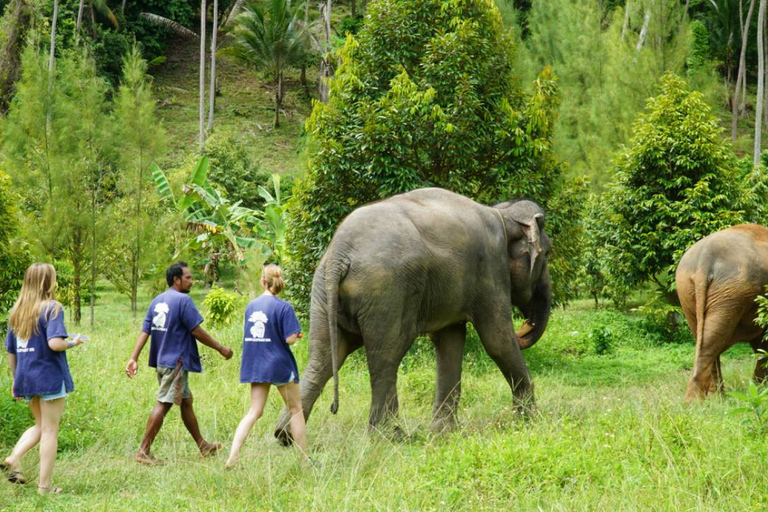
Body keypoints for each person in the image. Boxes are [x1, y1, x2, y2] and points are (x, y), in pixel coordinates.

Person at [125, 261, 233, 465]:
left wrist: (134, 357)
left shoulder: (157, 301)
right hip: (176, 362)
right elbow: (196, 330)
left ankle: (203, 445)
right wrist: (220, 348)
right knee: (164, 403)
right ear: (177, 280)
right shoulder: (183, 301)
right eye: (188, 278)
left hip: (161, 361)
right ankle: (143, 451)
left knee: (186, 401)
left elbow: (145, 331)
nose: (191, 281)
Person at [2, 263, 86, 494]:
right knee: (50, 430)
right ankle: (45, 487)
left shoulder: (17, 311)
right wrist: (74, 342)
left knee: (41, 425)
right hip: (48, 376)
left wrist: (16, 379)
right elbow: (55, 344)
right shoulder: (52, 308)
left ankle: (13, 458)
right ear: (48, 281)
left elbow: (11, 351)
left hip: (26, 377)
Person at [226, 264, 308, 467]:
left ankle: (233, 457)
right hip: (279, 365)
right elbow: (290, 339)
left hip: (256, 364)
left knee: (254, 411)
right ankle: (304, 460)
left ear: (263, 281)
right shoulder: (284, 307)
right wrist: (296, 335)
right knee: (296, 409)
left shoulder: (251, 306)